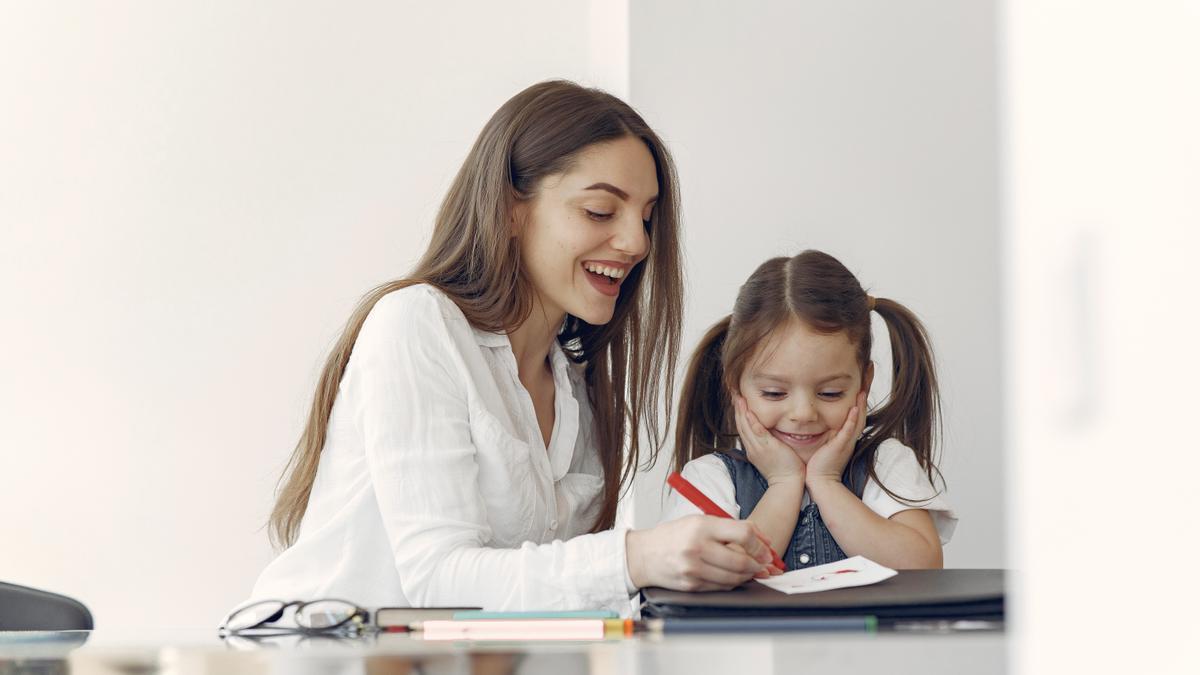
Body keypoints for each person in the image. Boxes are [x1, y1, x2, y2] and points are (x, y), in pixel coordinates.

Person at [241, 81, 781, 616]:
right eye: (599, 211)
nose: (637, 243)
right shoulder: (418, 323)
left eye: (645, 217)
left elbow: (539, 593)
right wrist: (635, 557)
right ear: (509, 210)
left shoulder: (575, 385)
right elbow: (437, 577)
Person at [663, 250, 957, 570]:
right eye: (774, 393)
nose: (803, 413)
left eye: (830, 393)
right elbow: (716, 572)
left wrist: (827, 482)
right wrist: (784, 482)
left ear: (864, 383)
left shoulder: (885, 463)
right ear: (734, 385)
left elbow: (923, 567)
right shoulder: (710, 478)